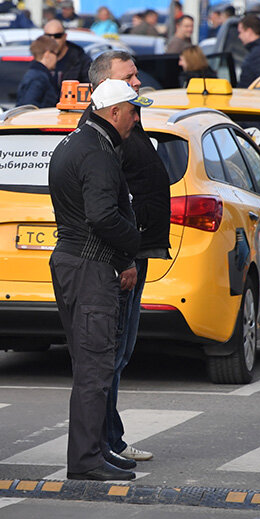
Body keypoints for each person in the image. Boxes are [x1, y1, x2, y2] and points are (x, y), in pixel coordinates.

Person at [48, 78, 147, 482]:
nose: (136, 118)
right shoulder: (98, 153)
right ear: (114, 113)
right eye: (132, 111)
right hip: (89, 269)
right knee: (95, 367)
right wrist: (133, 249)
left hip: (75, 264)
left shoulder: (76, 142)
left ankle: (95, 451)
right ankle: (87, 460)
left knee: (91, 364)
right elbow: (103, 215)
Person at [85, 52, 171, 467]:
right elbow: (106, 206)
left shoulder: (125, 124)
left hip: (135, 251)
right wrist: (125, 256)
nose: (138, 82)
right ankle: (105, 443)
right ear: (107, 91)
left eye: (135, 75)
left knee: (120, 351)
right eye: (129, 76)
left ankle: (110, 438)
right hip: (121, 257)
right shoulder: (104, 136)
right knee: (111, 352)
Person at [15, 35, 61, 108]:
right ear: (47, 54)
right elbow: (29, 106)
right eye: (56, 54)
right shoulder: (39, 77)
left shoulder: (35, 73)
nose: (57, 59)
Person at [44, 19, 91, 86]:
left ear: (64, 37)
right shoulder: (39, 59)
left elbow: (89, 88)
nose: (52, 40)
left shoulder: (81, 61)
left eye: (57, 36)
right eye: (48, 36)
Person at [236, 14, 260, 88]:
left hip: (251, 97)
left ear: (249, 31)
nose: (239, 36)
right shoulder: (257, 50)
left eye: (240, 32)